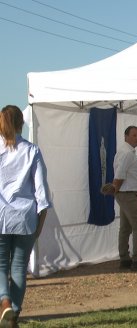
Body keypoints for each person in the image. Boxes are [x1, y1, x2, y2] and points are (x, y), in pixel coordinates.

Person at [0, 105, 51, 327]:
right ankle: (15, 314)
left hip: (1, 216)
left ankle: (4, 303)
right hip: (26, 217)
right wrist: (41, 220)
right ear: (22, 123)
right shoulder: (32, 151)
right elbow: (42, 190)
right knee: (19, 267)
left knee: (1, 266)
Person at [111, 126, 137, 271]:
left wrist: (116, 190)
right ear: (126, 136)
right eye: (134, 135)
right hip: (128, 193)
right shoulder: (127, 153)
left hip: (125, 192)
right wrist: (116, 188)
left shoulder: (124, 152)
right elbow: (120, 174)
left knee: (126, 227)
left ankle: (125, 258)